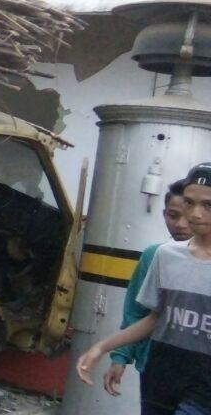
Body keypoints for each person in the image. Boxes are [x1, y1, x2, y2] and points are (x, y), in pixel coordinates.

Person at [77, 163, 211, 415]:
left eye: (208, 206)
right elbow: (154, 317)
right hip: (160, 377)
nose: (195, 214)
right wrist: (102, 347)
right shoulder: (165, 255)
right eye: (190, 203)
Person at [103, 181, 193, 397]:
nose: (180, 224)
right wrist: (120, 356)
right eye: (173, 215)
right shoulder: (155, 256)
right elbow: (137, 312)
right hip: (156, 366)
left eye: (189, 218)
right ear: (164, 214)